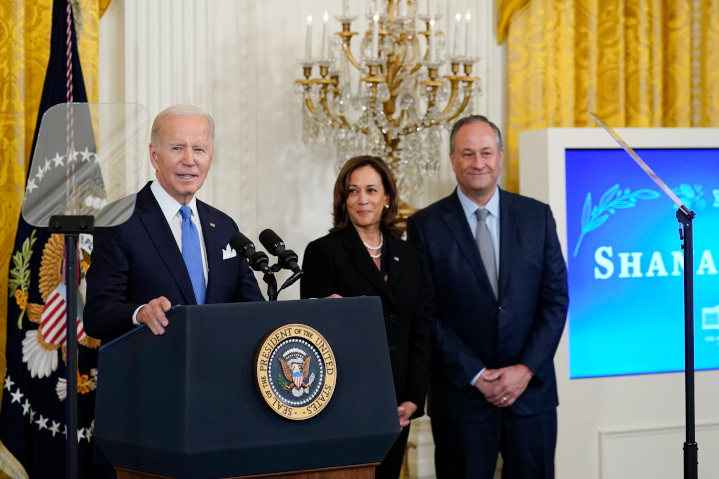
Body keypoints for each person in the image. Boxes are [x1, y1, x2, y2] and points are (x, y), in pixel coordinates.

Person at [405, 115, 568, 479]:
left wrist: (524, 370)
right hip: (462, 400)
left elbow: (555, 300)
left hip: (531, 397)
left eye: (485, 152)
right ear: (452, 160)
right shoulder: (424, 227)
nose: (478, 163)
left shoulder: (537, 216)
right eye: (467, 154)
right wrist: (477, 375)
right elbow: (426, 315)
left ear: (501, 156)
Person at [84, 104, 263, 342]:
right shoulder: (119, 220)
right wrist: (140, 313)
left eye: (199, 149)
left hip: (216, 373)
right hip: (153, 373)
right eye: (177, 148)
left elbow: (255, 311)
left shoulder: (223, 226)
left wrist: (314, 311)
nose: (189, 160)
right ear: (154, 155)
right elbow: (97, 315)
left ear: (210, 157)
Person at [300, 156, 431, 479]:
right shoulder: (323, 251)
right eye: (353, 191)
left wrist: (414, 398)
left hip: (397, 401)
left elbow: (421, 330)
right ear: (343, 200)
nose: (362, 200)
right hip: (345, 399)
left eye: (371, 190)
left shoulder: (410, 256)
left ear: (387, 198)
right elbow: (313, 334)